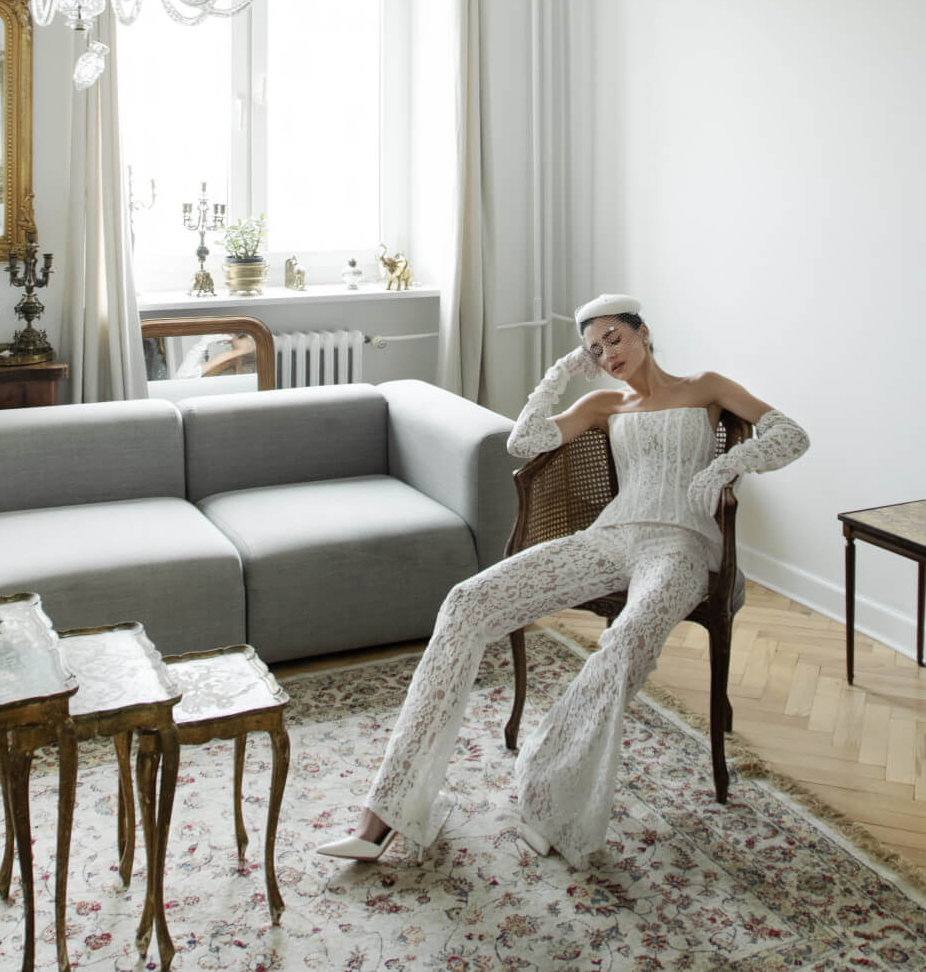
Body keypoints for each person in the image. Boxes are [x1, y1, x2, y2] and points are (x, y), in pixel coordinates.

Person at [316, 294, 809, 870]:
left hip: (682, 546)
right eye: (594, 349)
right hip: (610, 537)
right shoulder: (603, 403)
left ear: (644, 331)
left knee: (627, 642)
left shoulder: (706, 387)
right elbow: (522, 444)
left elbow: (791, 434)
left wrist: (724, 467)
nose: (607, 354)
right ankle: (387, 811)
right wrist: (559, 375)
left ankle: (546, 793)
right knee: (466, 601)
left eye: (614, 338)